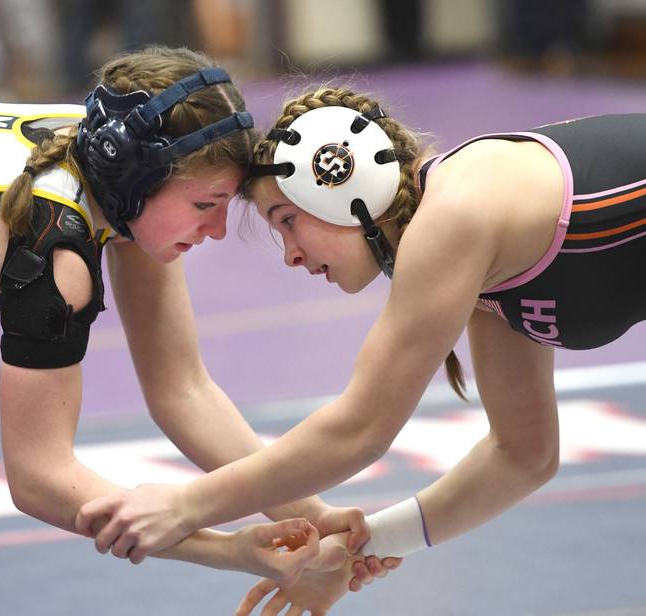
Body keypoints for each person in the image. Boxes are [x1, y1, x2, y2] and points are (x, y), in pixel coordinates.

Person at [0, 49, 391, 615]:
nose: (219, 229)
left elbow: (184, 394)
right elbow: (38, 478)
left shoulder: (107, 158)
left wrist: (315, 516)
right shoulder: (51, 248)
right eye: (205, 204)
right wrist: (229, 550)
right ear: (136, 183)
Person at [77, 85, 646, 612]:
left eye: (287, 222)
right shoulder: (484, 272)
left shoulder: (460, 212)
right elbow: (524, 455)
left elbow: (360, 428)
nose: (291, 256)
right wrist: (357, 548)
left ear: (342, 185)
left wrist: (185, 506)